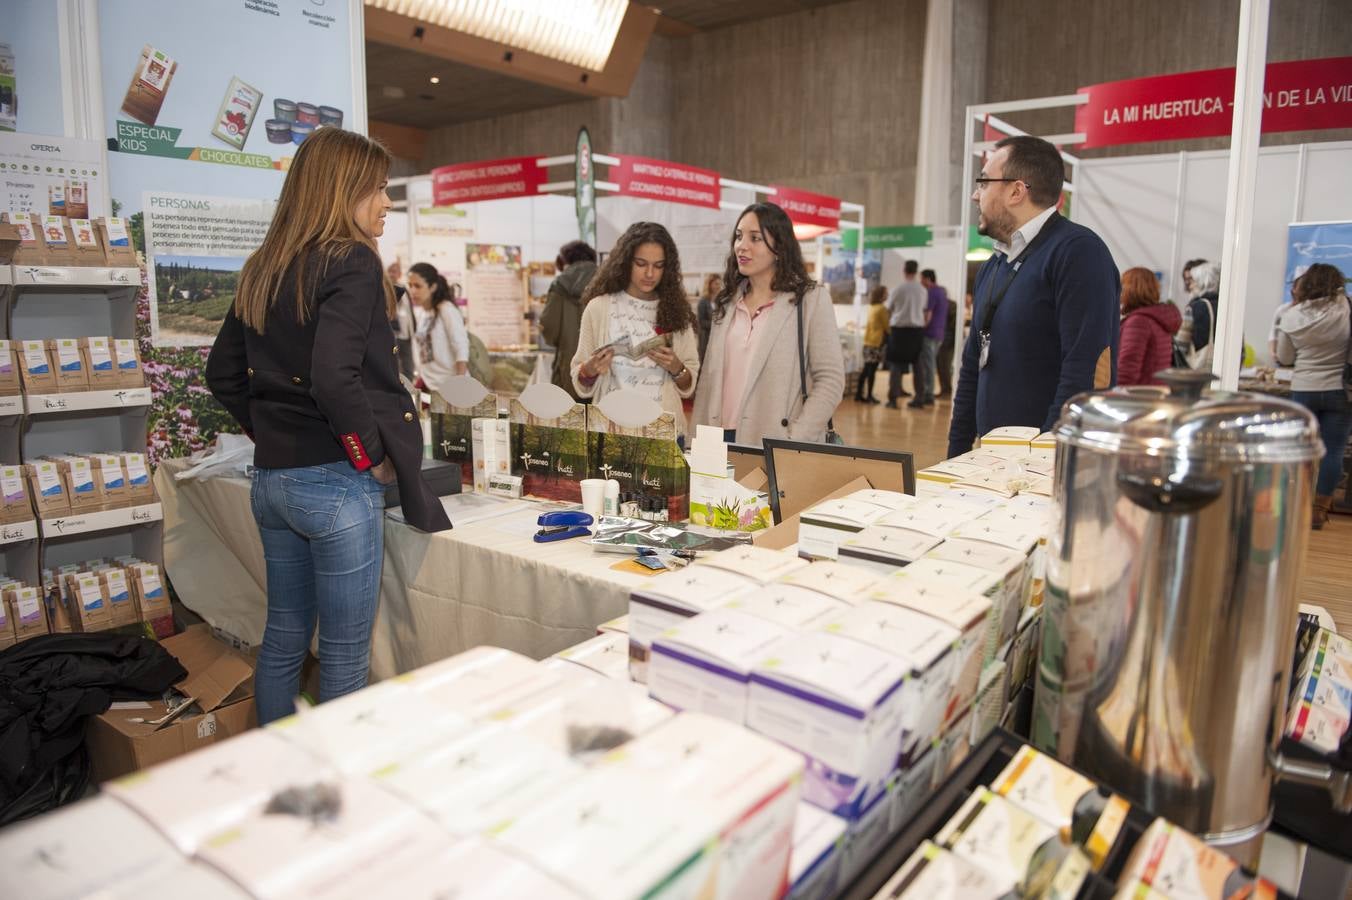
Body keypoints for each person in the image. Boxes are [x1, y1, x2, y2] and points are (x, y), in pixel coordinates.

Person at [205, 127, 451, 726]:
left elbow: (222, 375)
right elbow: (333, 378)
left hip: (274, 482)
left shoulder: (266, 265)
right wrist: (367, 454)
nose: (386, 202)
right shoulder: (353, 262)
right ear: (344, 190)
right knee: (343, 656)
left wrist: (270, 432)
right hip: (337, 485)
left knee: (285, 635)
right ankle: (332, 799)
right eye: (377, 189)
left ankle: (279, 769)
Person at [948, 135, 1120, 458]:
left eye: (983, 182)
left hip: (1043, 472)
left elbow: (1084, 370)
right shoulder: (994, 265)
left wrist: (1043, 459)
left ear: (1016, 190)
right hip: (991, 464)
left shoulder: (1078, 253)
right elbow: (973, 366)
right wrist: (956, 454)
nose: (975, 195)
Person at [692, 202, 845, 445]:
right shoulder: (727, 303)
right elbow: (709, 381)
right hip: (718, 440)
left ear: (779, 248)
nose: (742, 246)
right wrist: (696, 441)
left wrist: (795, 437)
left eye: (755, 238)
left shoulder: (810, 300)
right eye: (739, 236)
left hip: (774, 440)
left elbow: (831, 380)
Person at [571, 222, 700, 437]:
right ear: (625, 262)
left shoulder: (677, 312)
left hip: (662, 432)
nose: (650, 273)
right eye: (641, 263)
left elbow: (689, 384)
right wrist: (591, 369)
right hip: (610, 430)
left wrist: (677, 367)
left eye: (658, 265)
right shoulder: (599, 308)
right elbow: (580, 380)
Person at [1275, 263, 1351, 530]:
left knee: (1301, 451)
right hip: (1340, 390)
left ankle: (1296, 506)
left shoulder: (1291, 316)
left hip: (1304, 388)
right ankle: (1318, 510)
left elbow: (1284, 358)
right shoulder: (1347, 308)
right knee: (1333, 451)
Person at [540, 240, 598, 400]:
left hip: (569, 364)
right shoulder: (607, 281)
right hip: (603, 365)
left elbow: (549, 327)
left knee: (570, 417)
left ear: (565, 261)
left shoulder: (560, 285)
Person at [408, 262, 469, 402]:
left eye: (418, 286)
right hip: (429, 386)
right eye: (410, 285)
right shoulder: (423, 314)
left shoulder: (446, 309)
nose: (413, 291)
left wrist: (459, 384)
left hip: (451, 387)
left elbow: (461, 346)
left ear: (433, 287)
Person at [1117, 267, 1181, 387]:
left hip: (1138, 397)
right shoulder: (1157, 318)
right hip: (1155, 393)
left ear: (1131, 289)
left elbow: (1127, 370)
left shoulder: (1138, 322)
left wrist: (1114, 398)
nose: (1119, 291)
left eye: (1122, 286)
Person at [885, 260, 927, 408]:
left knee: (896, 365)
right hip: (916, 330)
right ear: (916, 271)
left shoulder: (897, 289)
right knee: (918, 365)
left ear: (904, 270)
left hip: (899, 330)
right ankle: (920, 398)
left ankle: (893, 399)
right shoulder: (922, 290)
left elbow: (888, 308)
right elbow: (924, 310)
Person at [912, 269, 949, 408]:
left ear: (928, 279)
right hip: (939, 333)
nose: (920, 282)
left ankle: (928, 393)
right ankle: (929, 392)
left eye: (921, 279)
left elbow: (928, 314)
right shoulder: (941, 292)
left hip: (929, 333)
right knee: (930, 363)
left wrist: (920, 327)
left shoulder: (931, 292)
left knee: (928, 365)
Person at [1176, 261, 1220, 368]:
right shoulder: (1228, 308)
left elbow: (1181, 346)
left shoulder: (1194, 308)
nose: (1190, 285)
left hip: (1198, 373)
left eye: (1193, 281)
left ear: (1203, 282)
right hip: (1225, 371)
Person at [855, 285, 888, 403]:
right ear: (881, 295)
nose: (887, 295)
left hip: (868, 341)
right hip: (876, 343)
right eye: (886, 293)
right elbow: (887, 327)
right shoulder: (882, 309)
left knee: (866, 370)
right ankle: (869, 395)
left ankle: (858, 394)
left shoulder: (872, 307)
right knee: (872, 371)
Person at [696, 273, 721, 364]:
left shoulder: (720, 300)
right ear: (710, 285)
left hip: (717, 336)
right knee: (705, 361)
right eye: (716, 284)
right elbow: (701, 322)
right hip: (706, 337)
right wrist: (717, 324)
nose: (718, 286)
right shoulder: (703, 301)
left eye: (719, 284)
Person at [937, 292, 958, 398]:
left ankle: (947, 390)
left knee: (945, 365)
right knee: (941, 365)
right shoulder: (946, 305)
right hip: (942, 338)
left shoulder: (951, 305)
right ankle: (944, 389)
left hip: (948, 340)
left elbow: (953, 324)